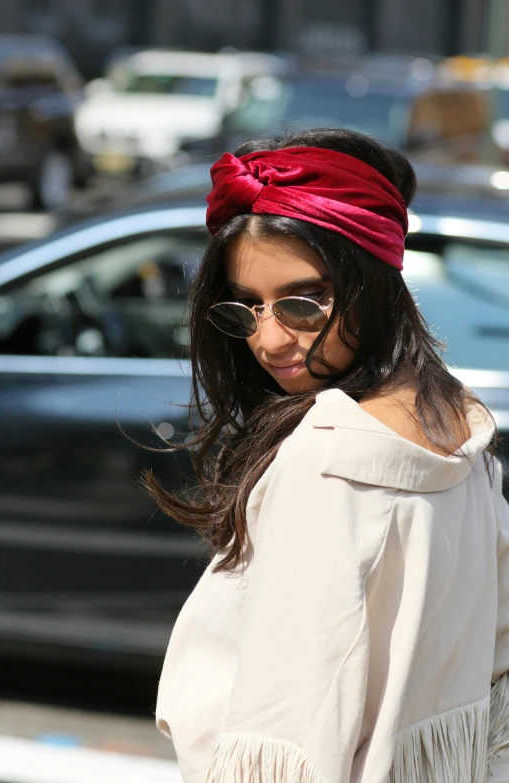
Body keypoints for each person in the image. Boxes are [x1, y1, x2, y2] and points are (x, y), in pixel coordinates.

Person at [145, 129, 509, 782]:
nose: (268, 337)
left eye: (303, 302)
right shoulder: (460, 428)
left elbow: (281, 742)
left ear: (372, 281)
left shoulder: (327, 462)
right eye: (246, 306)